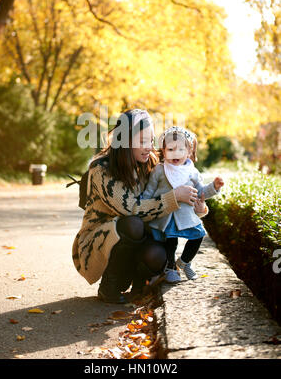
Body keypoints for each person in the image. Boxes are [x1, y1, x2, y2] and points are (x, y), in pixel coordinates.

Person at [72, 109, 200, 303]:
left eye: (151, 140)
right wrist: (173, 198)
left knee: (158, 254)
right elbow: (130, 208)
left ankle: (140, 287)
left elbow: (180, 178)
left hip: (135, 237)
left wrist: (196, 202)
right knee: (133, 224)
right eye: (142, 141)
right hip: (99, 240)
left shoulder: (151, 163)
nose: (149, 147)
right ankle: (111, 286)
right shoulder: (101, 168)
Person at [142, 126, 224, 283]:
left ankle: (184, 262)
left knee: (199, 235)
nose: (176, 153)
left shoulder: (192, 172)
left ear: (189, 151)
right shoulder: (159, 170)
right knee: (170, 241)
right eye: (171, 149)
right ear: (163, 151)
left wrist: (214, 187)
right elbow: (149, 191)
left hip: (186, 215)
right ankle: (170, 267)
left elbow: (200, 192)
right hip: (166, 215)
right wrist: (145, 206)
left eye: (181, 149)